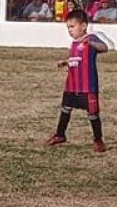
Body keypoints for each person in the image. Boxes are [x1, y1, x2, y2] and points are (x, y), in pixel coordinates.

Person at [46, 9, 109, 152]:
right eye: (68, 27)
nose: (70, 30)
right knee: (65, 109)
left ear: (83, 26)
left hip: (87, 86)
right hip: (72, 85)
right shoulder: (74, 43)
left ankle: (98, 140)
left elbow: (104, 48)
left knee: (93, 114)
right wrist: (66, 62)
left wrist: (91, 43)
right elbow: (77, 60)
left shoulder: (91, 39)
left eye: (72, 27)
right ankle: (60, 135)